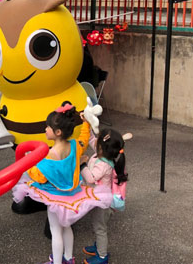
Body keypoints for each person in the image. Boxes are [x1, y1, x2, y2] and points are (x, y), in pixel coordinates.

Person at [12, 104, 110, 264]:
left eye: (47, 127)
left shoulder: (50, 155)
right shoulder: (74, 146)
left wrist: (27, 161)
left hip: (55, 198)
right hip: (72, 195)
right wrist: (86, 123)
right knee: (66, 227)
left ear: (57, 132)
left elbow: (39, 177)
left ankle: (57, 262)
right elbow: (84, 141)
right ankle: (68, 258)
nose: (45, 129)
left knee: (55, 231)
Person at [81, 129, 127, 264]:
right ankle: (98, 247)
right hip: (98, 199)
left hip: (103, 203)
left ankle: (102, 256)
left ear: (102, 147)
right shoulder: (102, 154)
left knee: (100, 228)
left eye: (98, 140)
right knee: (97, 225)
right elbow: (91, 140)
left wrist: (82, 163)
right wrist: (87, 126)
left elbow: (90, 178)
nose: (95, 143)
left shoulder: (103, 164)